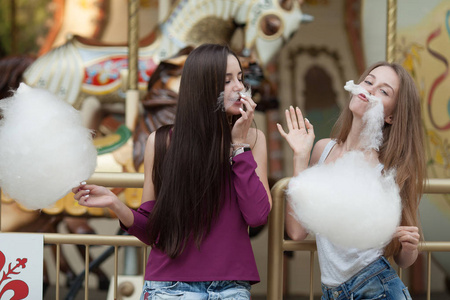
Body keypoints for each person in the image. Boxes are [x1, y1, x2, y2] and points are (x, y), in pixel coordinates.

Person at [73, 43, 272, 299]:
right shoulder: (162, 141)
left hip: (230, 288)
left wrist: (239, 147)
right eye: (226, 80)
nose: (239, 88)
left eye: (241, 79)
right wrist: (115, 203)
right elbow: (153, 231)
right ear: (201, 88)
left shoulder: (253, 140)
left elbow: (257, 216)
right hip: (170, 287)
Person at [277, 61, 425, 299]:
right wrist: (300, 158)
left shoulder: (387, 171)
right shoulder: (322, 150)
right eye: (369, 82)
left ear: (391, 117)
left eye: (384, 91)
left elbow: (403, 259)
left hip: (377, 287)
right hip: (333, 293)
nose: (370, 90)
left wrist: (410, 246)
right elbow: (296, 232)